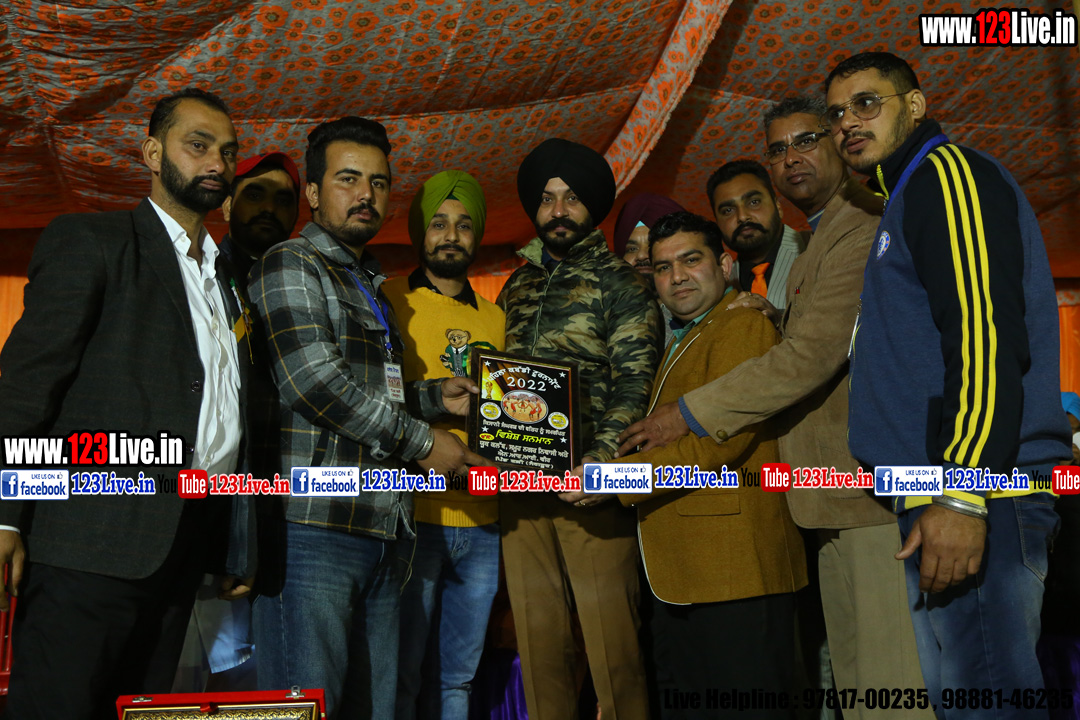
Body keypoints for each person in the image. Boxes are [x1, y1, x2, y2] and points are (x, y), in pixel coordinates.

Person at [619, 95, 932, 717]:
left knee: (887, 688)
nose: (792, 158)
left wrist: (622, 476)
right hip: (825, 505)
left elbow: (806, 361)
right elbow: (820, 341)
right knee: (858, 688)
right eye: (778, 148)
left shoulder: (866, 226)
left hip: (855, 502)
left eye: (806, 140)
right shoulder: (808, 252)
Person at [825, 51, 1070, 716]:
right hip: (939, 492)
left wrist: (962, 495)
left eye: (866, 103)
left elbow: (984, 336)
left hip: (978, 491)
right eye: (837, 113)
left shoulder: (947, 174)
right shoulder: (905, 195)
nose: (847, 123)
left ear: (915, 105)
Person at [0, 87, 254, 719]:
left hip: (181, 551)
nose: (216, 163)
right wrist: (4, 518)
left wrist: (232, 543)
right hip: (87, 544)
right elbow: (26, 386)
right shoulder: (94, 240)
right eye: (198, 145)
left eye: (227, 151)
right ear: (151, 153)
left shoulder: (229, 278)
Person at [248, 117, 485, 719]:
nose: (365, 195)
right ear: (312, 192)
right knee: (307, 709)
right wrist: (423, 442)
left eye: (378, 183)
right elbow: (314, 383)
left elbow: (369, 390)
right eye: (348, 179)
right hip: (312, 530)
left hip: (385, 530)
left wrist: (435, 398)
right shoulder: (290, 262)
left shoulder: (368, 282)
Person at [566, 210, 807, 718]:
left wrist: (615, 478)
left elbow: (718, 447)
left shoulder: (742, 325)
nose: (677, 276)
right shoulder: (680, 334)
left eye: (691, 260)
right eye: (663, 267)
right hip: (684, 574)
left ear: (724, 265)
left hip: (734, 573)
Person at [497, 137, 661, 720]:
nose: (558, 211)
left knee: (613, 649)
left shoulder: (622, 282)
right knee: (538, 646)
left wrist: (601, 460)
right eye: (546, 199)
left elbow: (635, 380)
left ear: (592, 205)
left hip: (590, 485)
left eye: (571, 198)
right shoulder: (516, 285)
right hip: (519, 487)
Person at [173, 150, 302, 694]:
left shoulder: (300, 283)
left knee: (251, 686)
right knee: (180, 684)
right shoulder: (198, 273)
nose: (269, 208)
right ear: (226, 204)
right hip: (189, 510)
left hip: (278, 516)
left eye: (283, 199)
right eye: (255, 194)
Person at [381, 170, 505, 720]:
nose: (451, 235)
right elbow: (377, 399)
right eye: (438, 223)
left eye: (464, 224)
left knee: (458, 679)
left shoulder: (497, 317)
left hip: (483, 519)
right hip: (414, 516)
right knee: (401, 674)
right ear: (419, 232)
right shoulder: (389, 300)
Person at [705, 159, 805, 311]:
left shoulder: (815, 248)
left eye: (753, 202)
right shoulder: (719, 284)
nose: (742, 216)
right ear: (717, 222)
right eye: (728, 210)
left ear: (778, 206)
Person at [612, 192, 686, 346]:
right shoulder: (602, 318)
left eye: (651, 247)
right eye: (632, 249)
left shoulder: (700, 319)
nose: (641, 256)